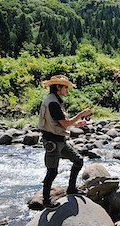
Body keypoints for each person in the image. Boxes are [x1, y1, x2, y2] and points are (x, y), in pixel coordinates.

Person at [38, 75, 92, 208]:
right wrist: (81, 114)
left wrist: (77, 123)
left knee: (78, 160)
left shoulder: (55, 100)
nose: (67, 89)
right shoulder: (53, 103)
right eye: (65, 87)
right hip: (53, 142)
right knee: (52, 171)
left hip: (59, 141)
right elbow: (63, 124)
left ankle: (71, 189)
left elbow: (61, 123)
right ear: (58, 87)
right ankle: (46, 200)